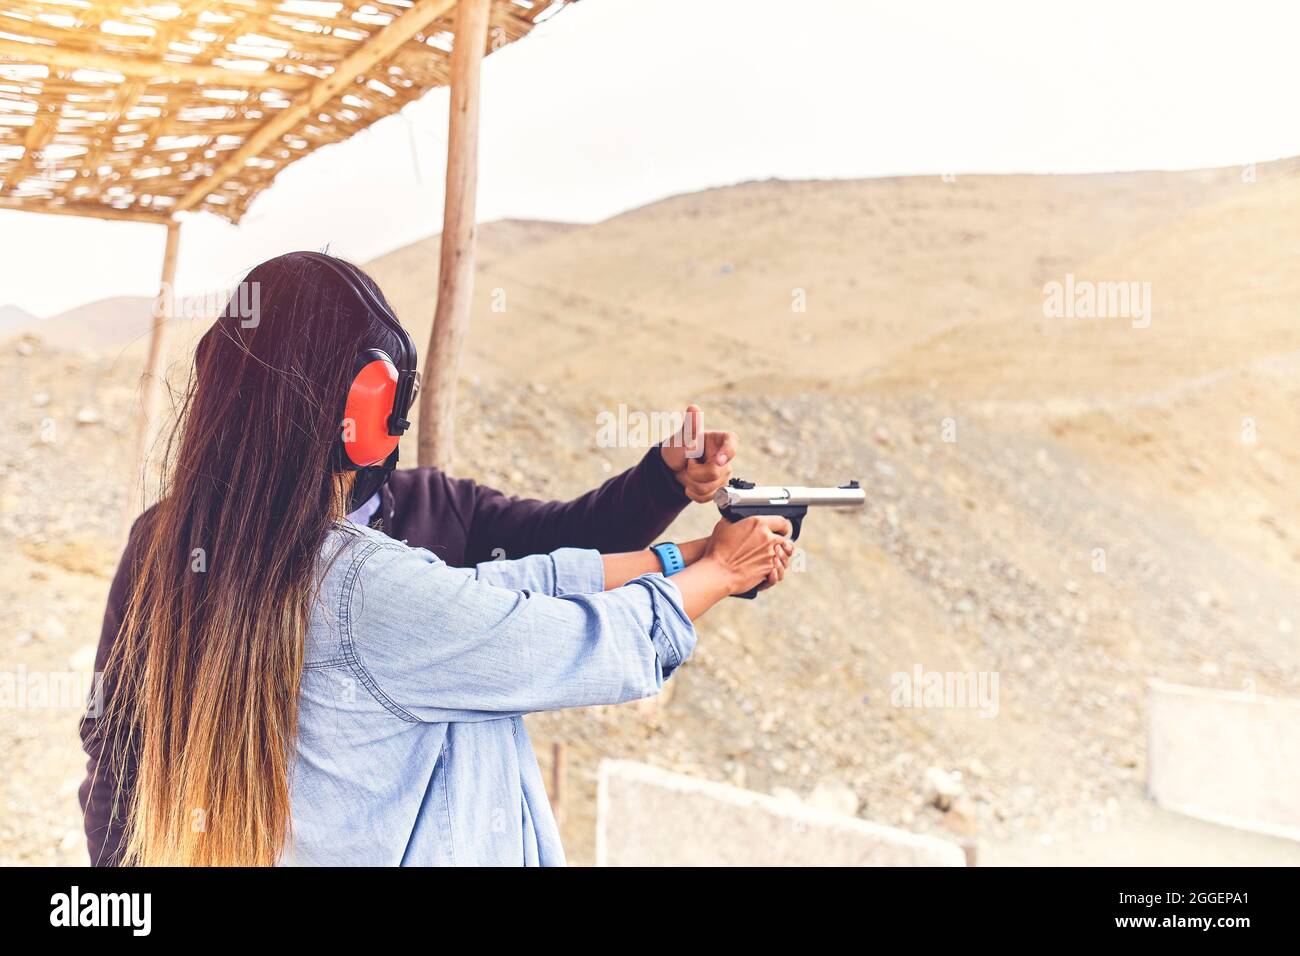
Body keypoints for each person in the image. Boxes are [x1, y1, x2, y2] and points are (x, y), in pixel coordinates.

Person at [80, 251, 792, 866]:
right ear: (370, 404)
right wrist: (720, 572)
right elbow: (548, 639)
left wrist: (687, 548)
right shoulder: (359, 578)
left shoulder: (213, 547)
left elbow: (512, 581)